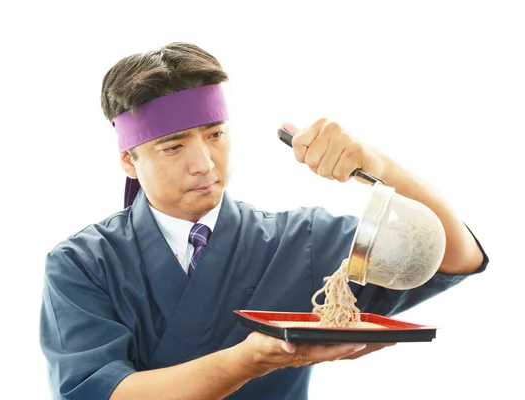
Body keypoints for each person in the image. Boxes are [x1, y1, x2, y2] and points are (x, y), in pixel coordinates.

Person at [39, 42, 488, 400]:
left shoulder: (301, 242)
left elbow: (457, 255)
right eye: (173, 146)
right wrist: (249, 360)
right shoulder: (82, 263)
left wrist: (377, 166)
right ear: (129, 161)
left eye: (215, 135)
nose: (204, 164)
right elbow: (99, 392)